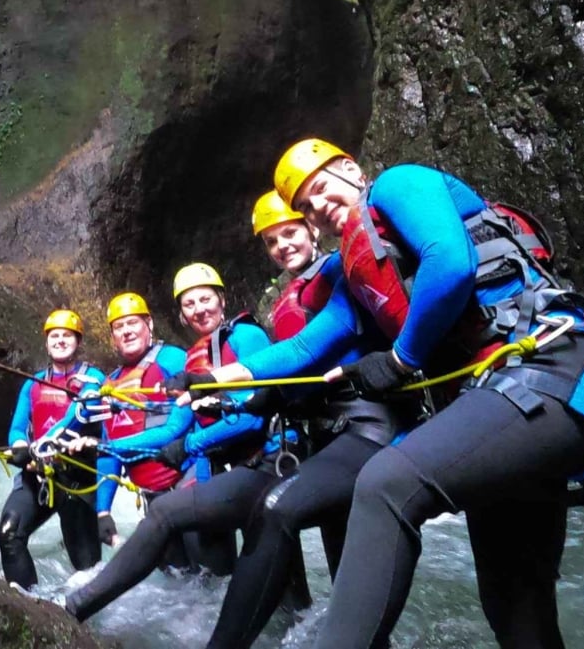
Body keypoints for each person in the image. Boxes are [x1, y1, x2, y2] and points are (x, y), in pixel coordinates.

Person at [272, 138, 584, 649]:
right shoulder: (355, 267)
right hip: (502, 402)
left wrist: (401, 359)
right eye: (307, 206)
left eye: (320, 189)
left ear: (350, 169)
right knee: (515, 603)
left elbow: (449, 261)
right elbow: (304, 347)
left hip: (545, 369)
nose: (318, 207)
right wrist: (220, 378)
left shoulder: (397, 183)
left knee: (385, 483)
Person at [192, 192, 414, 649]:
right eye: (272, 241)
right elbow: (298, 380)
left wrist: (216, 379)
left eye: (290, 232)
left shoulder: (338, 271)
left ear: (312, 229)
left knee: (281, 510)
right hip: (328, 436)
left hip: (367, 425)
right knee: (347, 580)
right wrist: (246, 403)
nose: (282, 246)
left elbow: (305, 352)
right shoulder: (289, 297)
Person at [64, 245, 313, 623]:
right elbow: (124, 440)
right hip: (218, 475)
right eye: (189, 304)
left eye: (205, 299)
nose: (199, 309)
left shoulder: (229, 342)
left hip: (244, 470)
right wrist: (102, 507)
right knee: (196, 595)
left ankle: (77, 606)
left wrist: (186, 445)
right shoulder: (140, 374)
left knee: (265, 587)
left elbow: (240, 415)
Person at [0, 309, 107, 590]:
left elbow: (75, 418)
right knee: (9, 535)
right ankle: (32, 606)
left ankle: (85, 626)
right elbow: (18, 426)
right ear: (46, 342)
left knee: (86, 567)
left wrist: (40, 446)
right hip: (40, 474)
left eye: (67, 335)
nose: (60, 340)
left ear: (78, 341)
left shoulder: (94, 379)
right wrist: (20, 447)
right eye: (55, 335)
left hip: (78, 477)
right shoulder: (34, 382)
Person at [89, 291, 189, 558]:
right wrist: (103, 511)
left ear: (149, 325)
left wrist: (104, 446)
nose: (127, 331)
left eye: (133, 323)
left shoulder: (172, 359)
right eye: (119, 327)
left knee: (214, 579)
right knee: (179, 592)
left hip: (190, 488)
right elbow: (110, 453)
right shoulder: (110, 386)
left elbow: (177, 428)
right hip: (153, 502)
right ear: (112, 337)